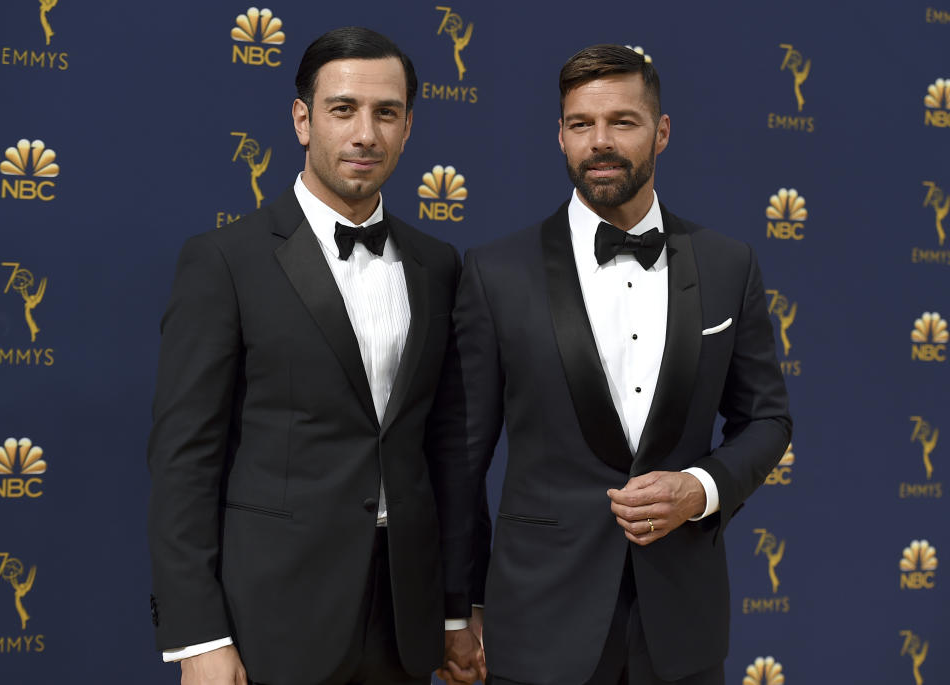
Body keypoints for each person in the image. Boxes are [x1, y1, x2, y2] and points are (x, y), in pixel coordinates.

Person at [439, 44, 791, 685]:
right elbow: (463, 458)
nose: (600, 142)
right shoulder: (496, 272)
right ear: (561, 136)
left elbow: (766, 419)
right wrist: (457, 611)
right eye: (581, 124)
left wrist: (702, 488)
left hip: (682, 627)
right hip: (539, 624)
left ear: (661, 132)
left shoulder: (726, 263)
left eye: (622, 122)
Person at [147, 26, 467, 685]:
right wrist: (197, 633)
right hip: (271, 619)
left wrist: (455, 610)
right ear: (302, 119)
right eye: (342, 109)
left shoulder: (438, 265)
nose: (364, 134)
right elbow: (184, 460)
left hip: (403, 622)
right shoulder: (224, 261)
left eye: (386, 113)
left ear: (408, 127)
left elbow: (446, 452)